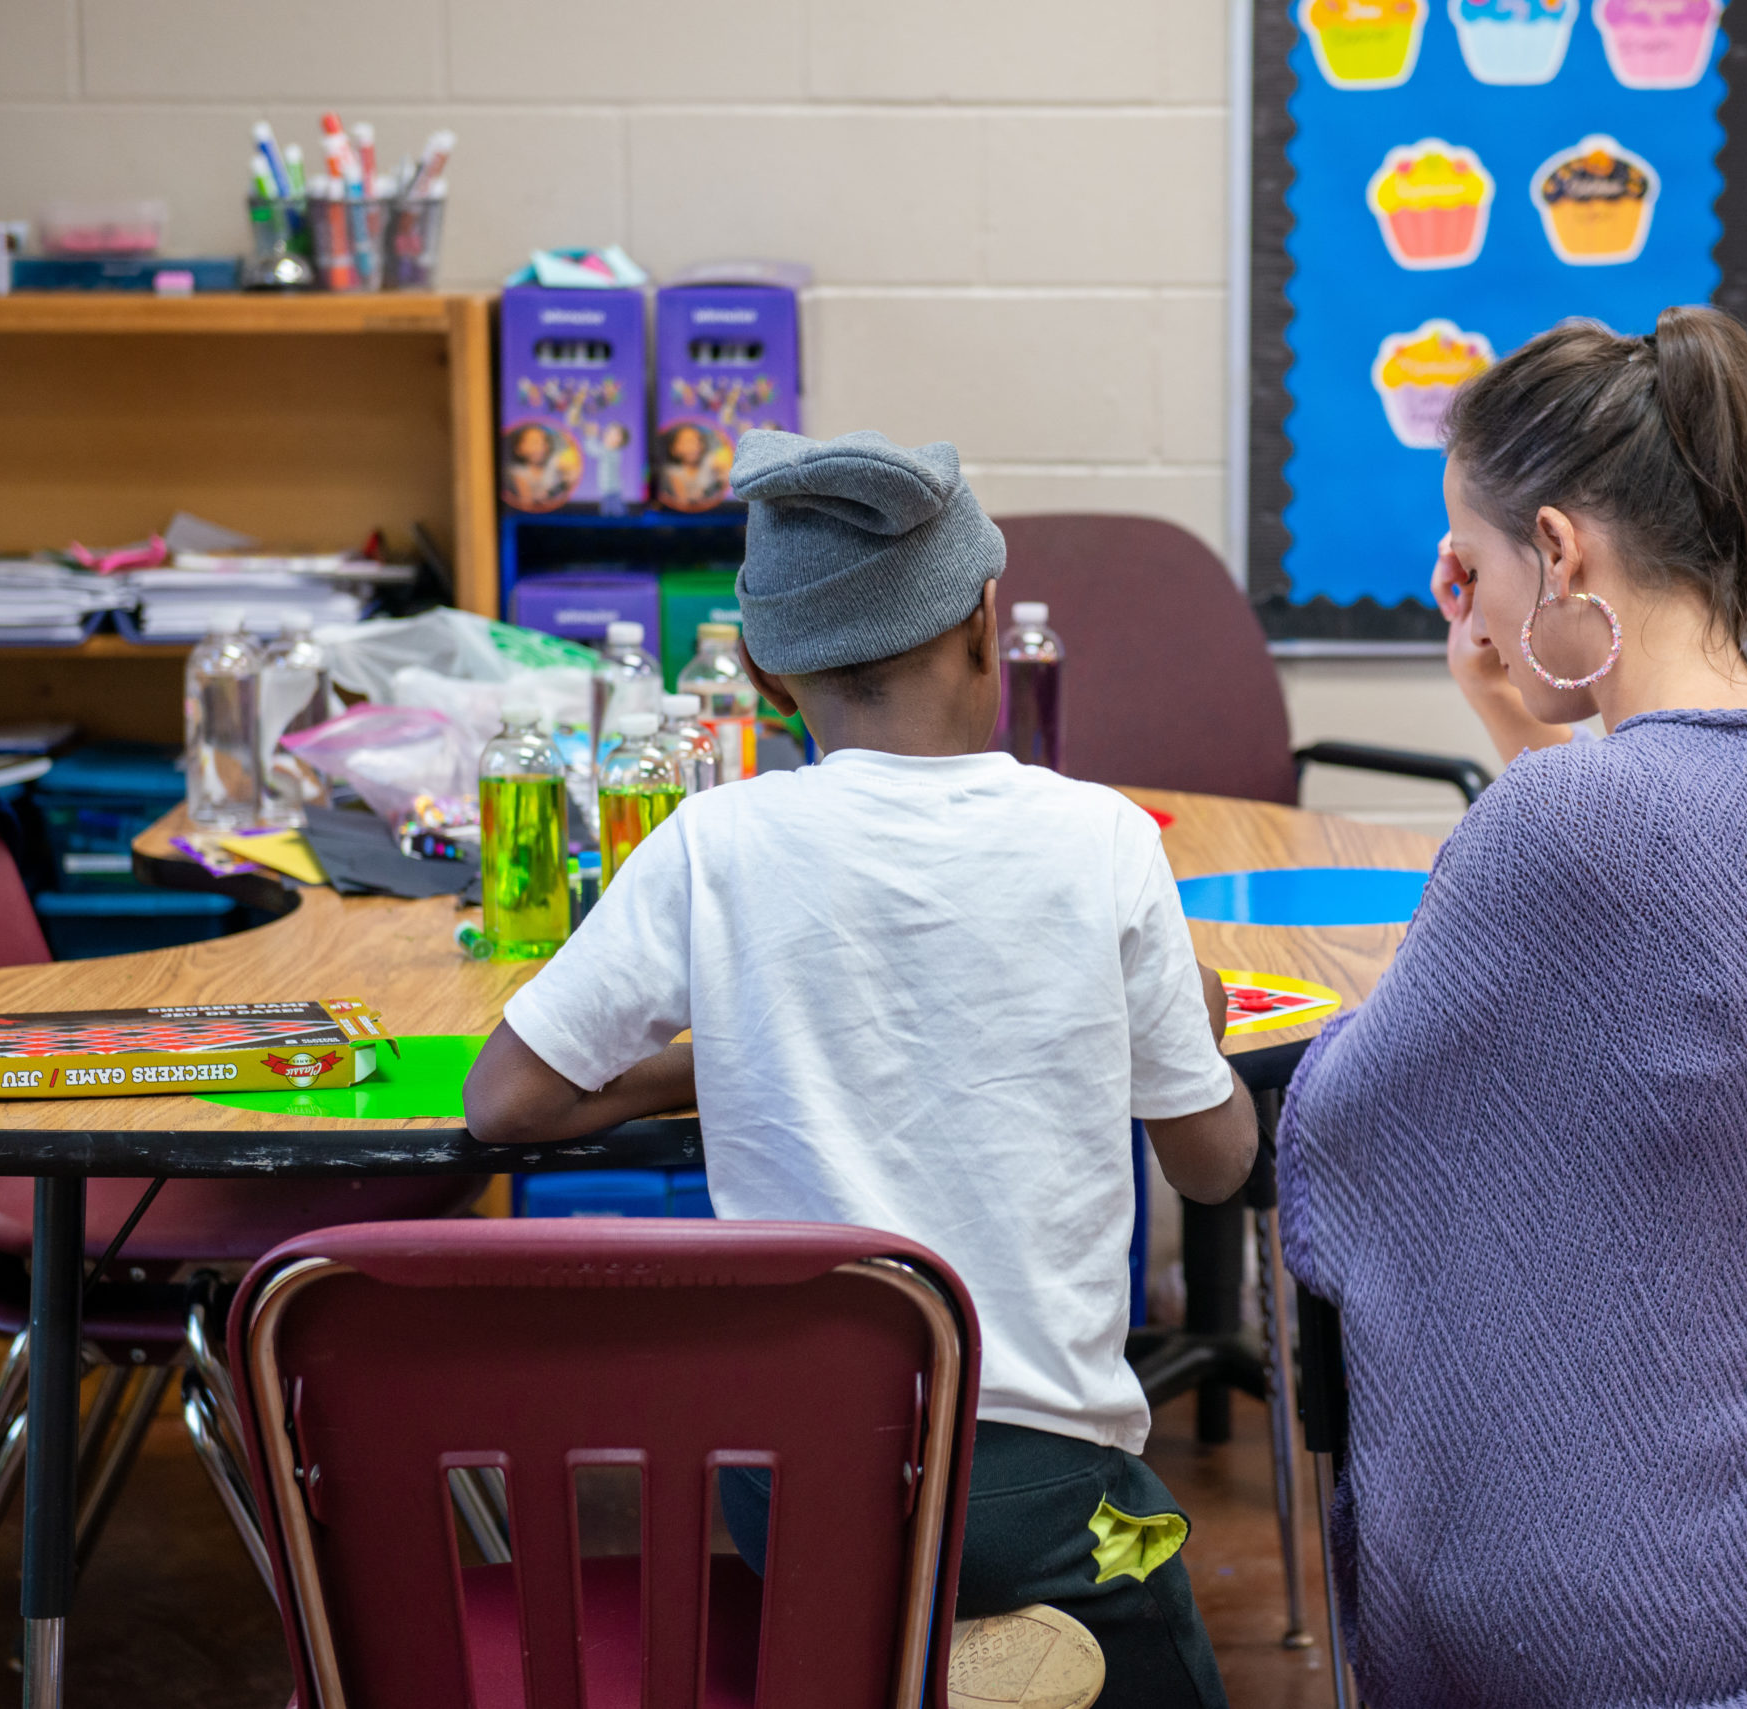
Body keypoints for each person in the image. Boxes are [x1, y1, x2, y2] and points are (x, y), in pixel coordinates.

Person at [465, 428, 1258, 1709]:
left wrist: (720, 1051)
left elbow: (506, 1098)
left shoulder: (710, 843)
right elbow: (1217, 1165)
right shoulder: (1099, 838)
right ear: (986, 624)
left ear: (770, 673)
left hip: (794, 1484)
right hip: (1043, 1485)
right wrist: (1179, 1024)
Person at [1276, 307, 1747, 1707]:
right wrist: (1526, 731)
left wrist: (1522, 755)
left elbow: (1348, 1146)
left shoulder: (1563, 817)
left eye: (1467, 567)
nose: (1458, 607)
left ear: (1561, 552)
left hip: (1627, 1617)